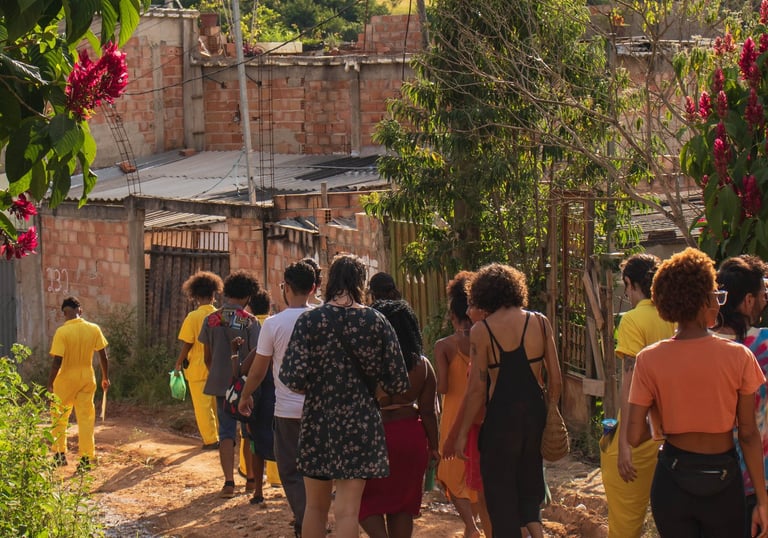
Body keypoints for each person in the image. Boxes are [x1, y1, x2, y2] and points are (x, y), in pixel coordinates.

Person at [626, 247, 768, 537]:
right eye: (716, 295)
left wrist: (664, 419)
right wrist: (763, 501)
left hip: (672, 479)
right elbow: (748, 434)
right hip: (724, 480)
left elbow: (634, 435)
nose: (719, 302)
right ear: (704, 301)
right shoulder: (738, 356)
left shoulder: (649, 359)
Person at [279, 254, 410, 538]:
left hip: (318, 423)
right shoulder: (377, 321)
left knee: (315, 507)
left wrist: (320, 390)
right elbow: (398, 382)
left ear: (330, 282)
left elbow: (292, 380)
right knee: (348, 511)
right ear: (361, 282)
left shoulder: (310, 320)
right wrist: (370, 392)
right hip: (361, 424)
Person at [453, 263, 562, 538]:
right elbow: (556, 379)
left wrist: (462, 434)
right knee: (529, 489)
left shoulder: (482, 331)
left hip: (500, 421)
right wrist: (551, 412)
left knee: (501, 497)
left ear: (483, 294)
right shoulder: (540, 322)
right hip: (534, 416)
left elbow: (476, 390)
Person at [239, 260, 317, 537]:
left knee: (291, 470)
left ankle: (306, 521)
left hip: (287, 411)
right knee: (316, 469)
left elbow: (258, 370)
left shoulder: (273, 324)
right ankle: (313, 519)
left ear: (286, 288)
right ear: (313, 288)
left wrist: (245, 396)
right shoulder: (324, 319)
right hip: (321, 411)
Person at [600, 254, 675, 538]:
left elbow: (630, 382)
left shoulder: (632, 320)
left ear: (630, 283)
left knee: (625, 523)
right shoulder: (676, 317)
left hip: (640, 432)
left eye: (626, 287)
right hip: (674, 432)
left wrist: (624, 443)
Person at [359, 299, 439, 538]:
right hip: (410, 438)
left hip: (374, 436)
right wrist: (434, 447)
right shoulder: (422, 365)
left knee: (364, 502)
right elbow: (428, 412)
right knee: (402, 505)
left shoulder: (366, 362)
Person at [714, 255, 768, 537]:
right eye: (763, 294)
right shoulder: (763, 344)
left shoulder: (697, 344)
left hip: (707, 475)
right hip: (756, 479)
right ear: (748, 301)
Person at [198, 270, 261, 498]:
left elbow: (207, 357)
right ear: (248, 295)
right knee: (248, 432)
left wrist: (217, 373)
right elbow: (257, 355)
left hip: (220, 384)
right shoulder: (250, 321)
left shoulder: (211, 319)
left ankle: (228, 483)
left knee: (225, 433)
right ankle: (251, 479)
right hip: (246, 386)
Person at [434, 271, 482, 538]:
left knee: (450, 472)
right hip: (478, 412)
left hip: (453, 414)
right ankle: (472, 526)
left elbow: (442, 387)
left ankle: (471, 527)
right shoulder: (484, 339)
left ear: (453, 314)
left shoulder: (444, 346)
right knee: (474, 471)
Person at [47, 296, 110, 470]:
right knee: (86, 418)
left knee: (59, 417)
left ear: (64, 313)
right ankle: (85, 459)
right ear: (80, 311)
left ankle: (59, 455)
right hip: (87, 377)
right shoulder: (94, 329)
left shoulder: (62, 332)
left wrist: (50, 383)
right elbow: (103, 356)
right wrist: (105, 377)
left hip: (65, 379)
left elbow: (57, 361)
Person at [173, 271, 223, 450]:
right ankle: (223, 437)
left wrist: (178, 363)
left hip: (197, 369)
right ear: (213, 295)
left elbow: (188, 344)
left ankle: (211, 440)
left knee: (203, 408)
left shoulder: (192, 317)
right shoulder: (220, 315)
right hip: (217, 369)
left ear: (195, 296)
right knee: (217, 406)